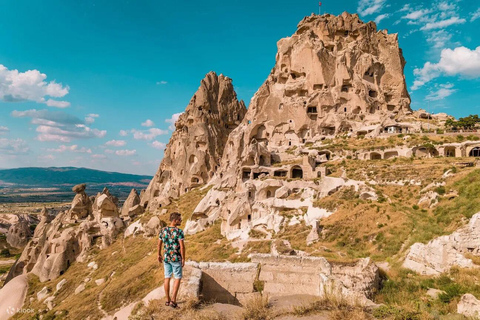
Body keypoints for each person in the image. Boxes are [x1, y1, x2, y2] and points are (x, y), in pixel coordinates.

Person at [158, 212, 185, 309]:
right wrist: (183, 258)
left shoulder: (163, 230)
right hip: (176, 258)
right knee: (177, 277)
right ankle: (173, 301)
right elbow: (182, 247)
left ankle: (167, 300)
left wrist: (158, 254)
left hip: (166, 257)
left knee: (167, 277)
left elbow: (159, 244)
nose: (181, 221)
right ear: (175, 220)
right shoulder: (179, 232)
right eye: (179, 219)